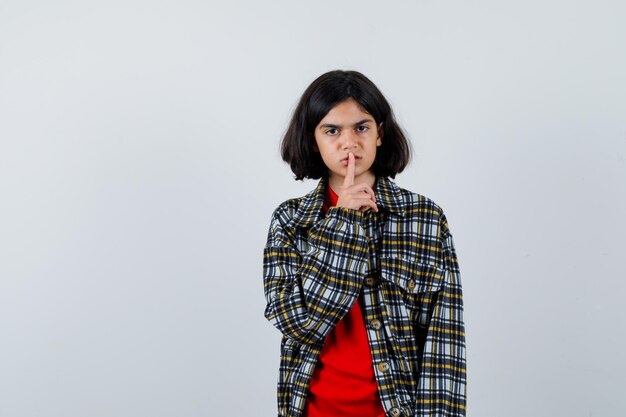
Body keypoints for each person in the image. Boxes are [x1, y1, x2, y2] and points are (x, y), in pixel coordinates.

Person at [262, 70, 466, 417]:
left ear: (380, 134)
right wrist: (343, 222)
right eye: (332, 130)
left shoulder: (424, 217)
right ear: (313, 140)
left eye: (362, 127)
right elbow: (300, 323)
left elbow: (444, 344)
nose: (349, 142)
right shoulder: (291, 221)